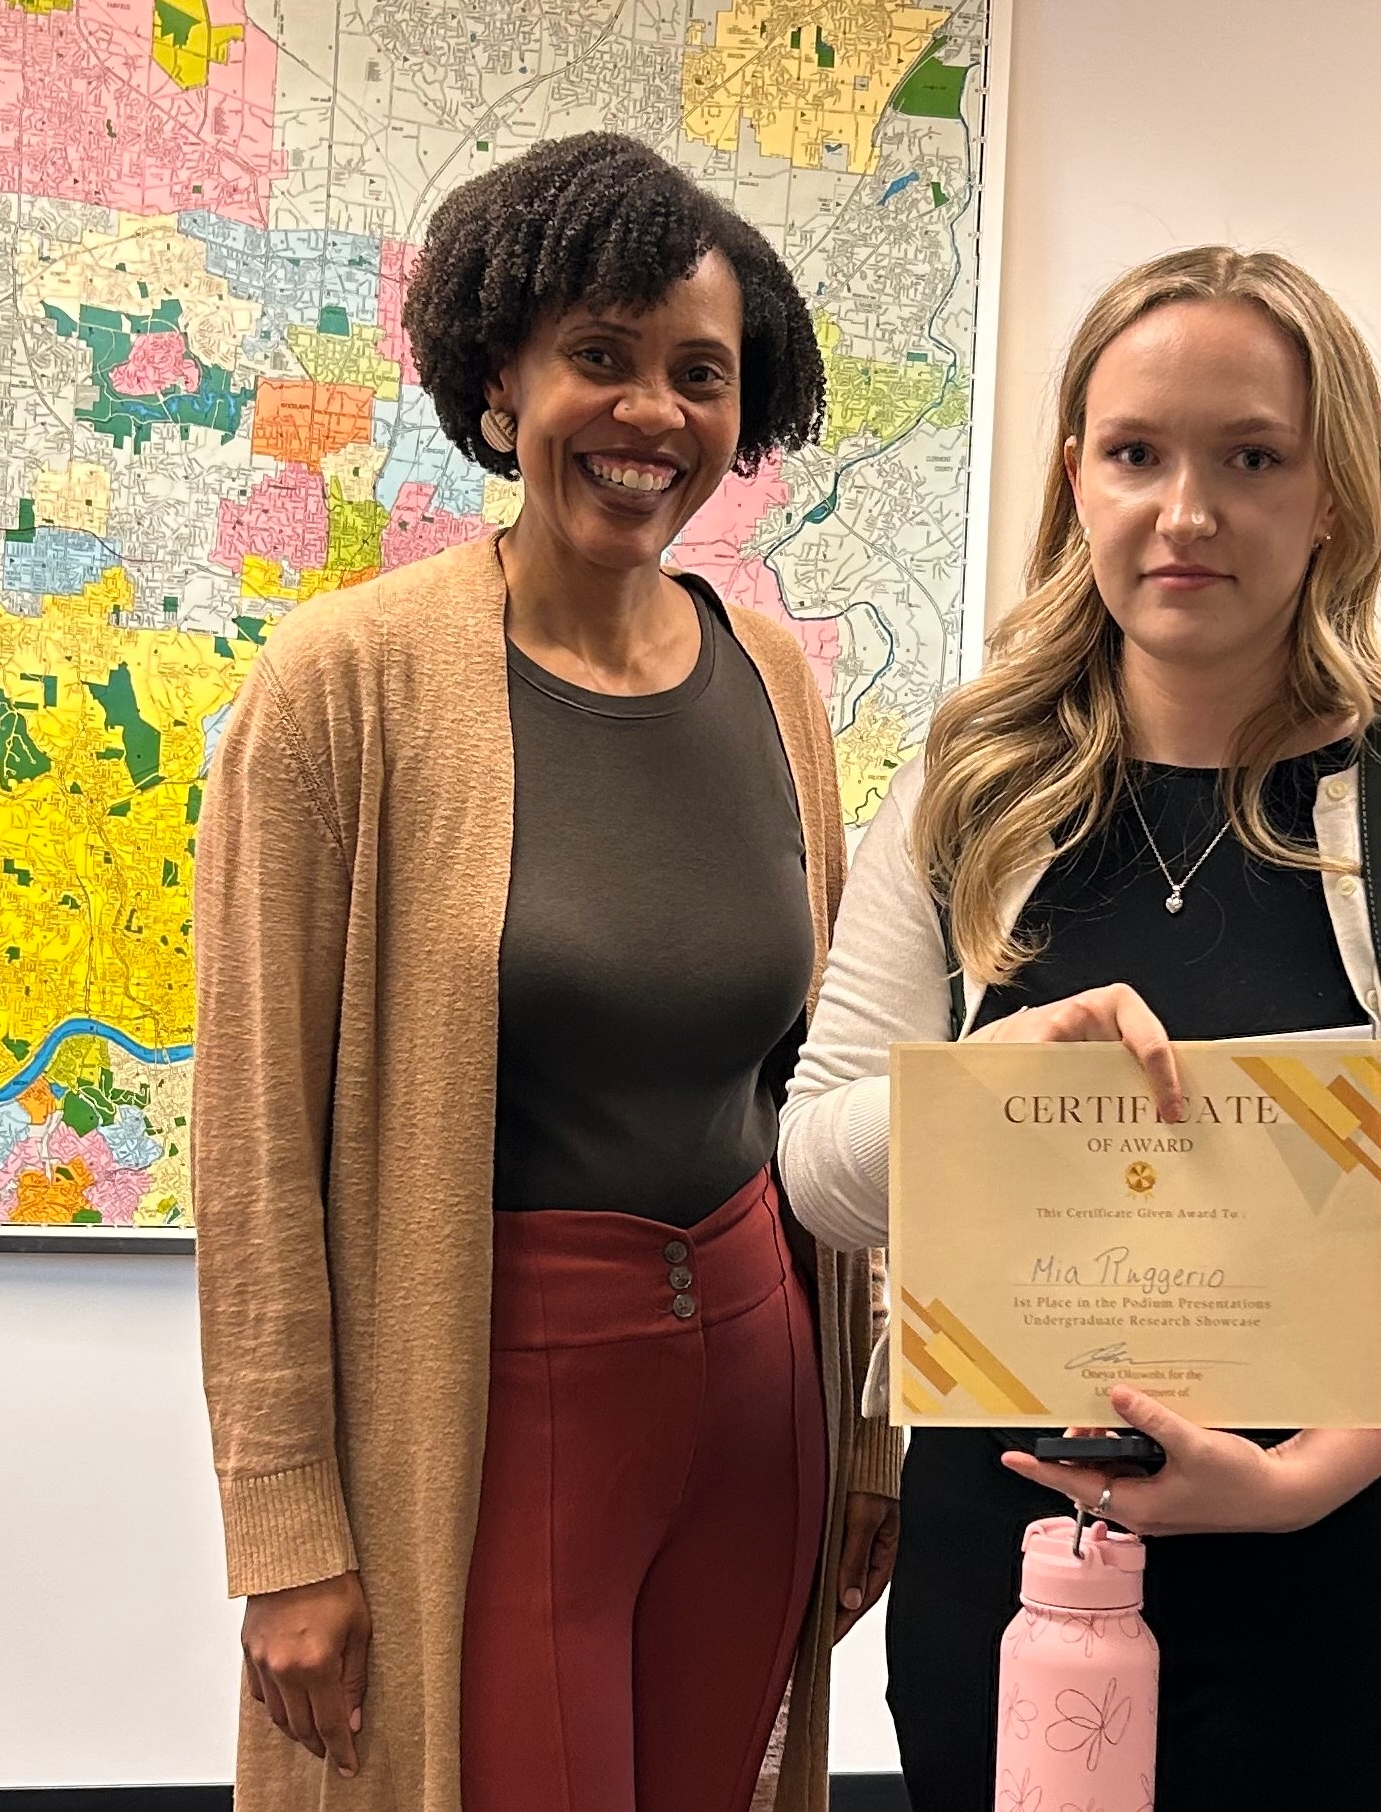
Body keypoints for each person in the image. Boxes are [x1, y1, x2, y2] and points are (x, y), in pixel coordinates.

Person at [776, 246, 1381, 1808]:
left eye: (1252, 457)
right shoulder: (964, 801)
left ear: (1333, 498)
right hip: (1013, 1564)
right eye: (1136, 454)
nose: (1188, 511)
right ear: (1077, 483)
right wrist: (966, 1099)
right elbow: (818, 1167)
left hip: (1323, 1559)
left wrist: (1307, 1470)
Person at [192, 132, 899, 1812]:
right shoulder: (340, 688)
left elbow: (826, 1084)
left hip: (755, 1384)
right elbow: (253, 1145)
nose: (650, 412)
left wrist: (867, 1436)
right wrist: (285, 1531)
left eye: (697, 374)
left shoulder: (775, 681)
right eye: (600, 356)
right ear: (501, 378)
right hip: (501, 1404)